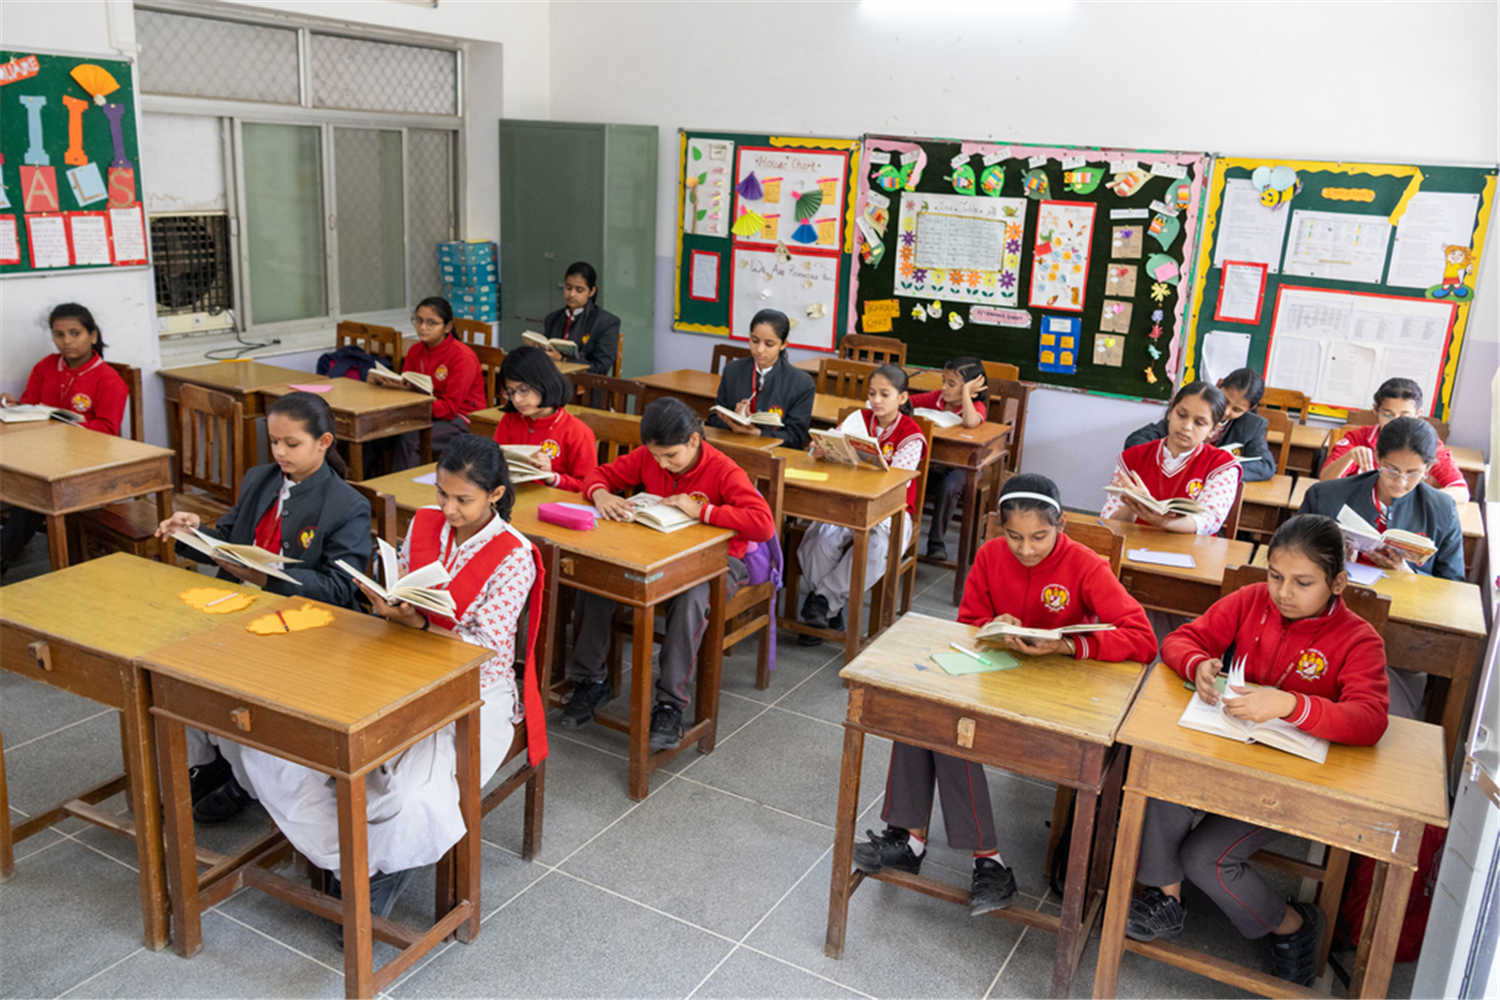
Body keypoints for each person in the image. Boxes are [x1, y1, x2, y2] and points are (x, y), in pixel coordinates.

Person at [232, 435, 547, 924]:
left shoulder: (513, 555)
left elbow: (485, 647)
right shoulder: (426, 522)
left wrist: (419, 624)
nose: (448, 509)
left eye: (463, 500)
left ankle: (367, 873)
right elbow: (401, 578)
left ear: (496, 495)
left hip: (473, 693)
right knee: (281, 750)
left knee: (411, 795)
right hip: (393, 665)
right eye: (442, 494)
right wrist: (386, 599)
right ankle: (362, 865)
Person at [853, 475, 1155, 915]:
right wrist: (992, 625)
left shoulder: (1086, 565)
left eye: (1039, 537)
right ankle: (942, 849)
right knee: (926, 708)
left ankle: (934, 846)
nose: (1026, 549)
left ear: (1062, 525)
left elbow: (1143, 638)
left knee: (953, 727)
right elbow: (968, 622)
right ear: (1001, 529)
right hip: (996, 680)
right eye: (1014, 536)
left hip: (1058, 694)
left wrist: (1067, 645)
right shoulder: (990, 555)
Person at [1124, 514, 1389, 987]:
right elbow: (1182, 639)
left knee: (1205, 858)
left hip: (1287, 781)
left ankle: (1293, 925)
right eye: (1275, 576)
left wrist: (1291, 704)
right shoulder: (1251, 601)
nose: (1284, 592)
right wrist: (1198, 664)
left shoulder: (1358, 639)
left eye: (1302, 582)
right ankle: (1166, 897)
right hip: (1225, 752)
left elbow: (1369, 719)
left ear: (1337, 583)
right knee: (1159, 773)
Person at [153, 390, 373, 821]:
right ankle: (214, 758)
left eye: (292, 443)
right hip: (238, 607)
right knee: (173, 662)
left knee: (233, 684)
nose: (280, 453)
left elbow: (338, 589)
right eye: (274, 441)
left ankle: (246, 779)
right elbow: (228, 540)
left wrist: (267, 578)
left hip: (303, 628)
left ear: (324, 442)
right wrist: (193, 532)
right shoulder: (260, 478)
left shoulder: (347, 505)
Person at [561, 397, 775, 748]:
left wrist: (702, 511)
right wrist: (601, 495)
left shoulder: (723, 469)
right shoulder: (650, 456)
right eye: (655, 456)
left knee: (690, 597)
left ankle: (670, 704)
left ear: (694, 440)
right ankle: (591, 682)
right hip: (658, 553)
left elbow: (763, 524)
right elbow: (600, 475)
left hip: (718, 561)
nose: (662, 464)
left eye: (671, 456)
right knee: (597, 577)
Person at [798, 364, 926, 644]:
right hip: (848, 500)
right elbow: (829, 444)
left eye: (884, 394)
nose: (876, 401)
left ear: (902, 398)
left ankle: (823, 603)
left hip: (891, 510)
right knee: (820, 539)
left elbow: (898, 482)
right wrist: (820, 450)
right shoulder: (858, 418)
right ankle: (830, 610)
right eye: (871, 394)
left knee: (876, 546)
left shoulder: (910, 434)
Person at [0, 303, 130, 573]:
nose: (66, 341)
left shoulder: (109, 379)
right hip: (44, 457)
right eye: (59, 335)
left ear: (93, 335)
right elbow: (29, 404)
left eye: (75, 333)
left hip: (87, 464)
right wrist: (14, 408)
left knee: (36, 495)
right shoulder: (46, 366)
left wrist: (67, 427)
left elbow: (108, 430)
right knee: (23, 484)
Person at [1100, 380, 1242, 535]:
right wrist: (1133, 504)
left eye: (1199, 423)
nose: (1186, 426)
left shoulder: (1222, 465)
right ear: (1170, 412)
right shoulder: (1133, 457)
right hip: (1134, 544)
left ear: (1213, 429)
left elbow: (1209, 522)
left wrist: (1163, 521)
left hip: (1191, 548)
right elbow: (1108, 522)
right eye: (1181, 415)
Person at [368, 296, 485, 470]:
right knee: (374, 429)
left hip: (462, 417)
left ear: (447, 327)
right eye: (419, 320)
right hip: (423, 410)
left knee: (412, 438)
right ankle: (363, 483)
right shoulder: (416, 350)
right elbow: (407, 387)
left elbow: (448, 409)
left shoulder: (462, 357)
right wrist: (388, 384)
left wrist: (412, 400)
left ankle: (403, 487)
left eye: (431, 323)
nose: (422, 327)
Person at [1318, 377, 1469, 503]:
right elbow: (1325, 482)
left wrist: (1415, 498)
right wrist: (1349, 457)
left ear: (1418, 414)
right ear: (1376, 410)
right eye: (1388, 415)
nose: (1395, 421)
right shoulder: (1357, 438)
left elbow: (1461, 492)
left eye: (1405, 415)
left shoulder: (1427, 444)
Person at [1124, 367, 1276, 483]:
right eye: (1225, 400)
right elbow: (1136, 441)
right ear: (1219, 384)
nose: (1226, 411)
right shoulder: (1194, 408)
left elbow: (1266, 466)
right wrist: (1175, 464)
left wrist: (1213, 469)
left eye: (1237, 410)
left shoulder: (1252, 426)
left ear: (1250, 408)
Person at [909, 356, 988, 561]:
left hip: (965, 465)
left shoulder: (976, 406)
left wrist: (966, 394)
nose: (944, 387)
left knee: (948, 487)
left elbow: (970, 422)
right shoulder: (937, 398)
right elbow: (907, 403)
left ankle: (936, 542)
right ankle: (904, 534)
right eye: (944, 380)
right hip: (937, 462)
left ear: (971, 388)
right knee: (910, 475)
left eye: (951, 384)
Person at [491, 345, 599, 492]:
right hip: (516, 498)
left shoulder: (578, 432)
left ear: (545, 382)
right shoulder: (510, 420)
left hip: (555, 503)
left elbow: (586, 486)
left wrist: (552, 478)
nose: (517, 399)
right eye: (510, 392)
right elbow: (494, 464)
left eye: (523, 390)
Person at [705, 308, 816, 450]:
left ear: (783, 344)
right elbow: (713, 419)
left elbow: (796, 438)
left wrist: (757, 432)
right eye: (754, 341)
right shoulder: (733, 370)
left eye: (769, 344)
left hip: (773, 454)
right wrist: (732, 421)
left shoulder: (801, 383)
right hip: (734, 448)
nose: (759, 349)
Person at [541, 261, 620, 376]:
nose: (571, 294)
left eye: (579, 290)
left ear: (591, 291)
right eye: (568, 288)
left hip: (585, 384)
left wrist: (563, 359)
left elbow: (601, 367)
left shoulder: (606, 322)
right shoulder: (552, 319)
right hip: (552, 380)